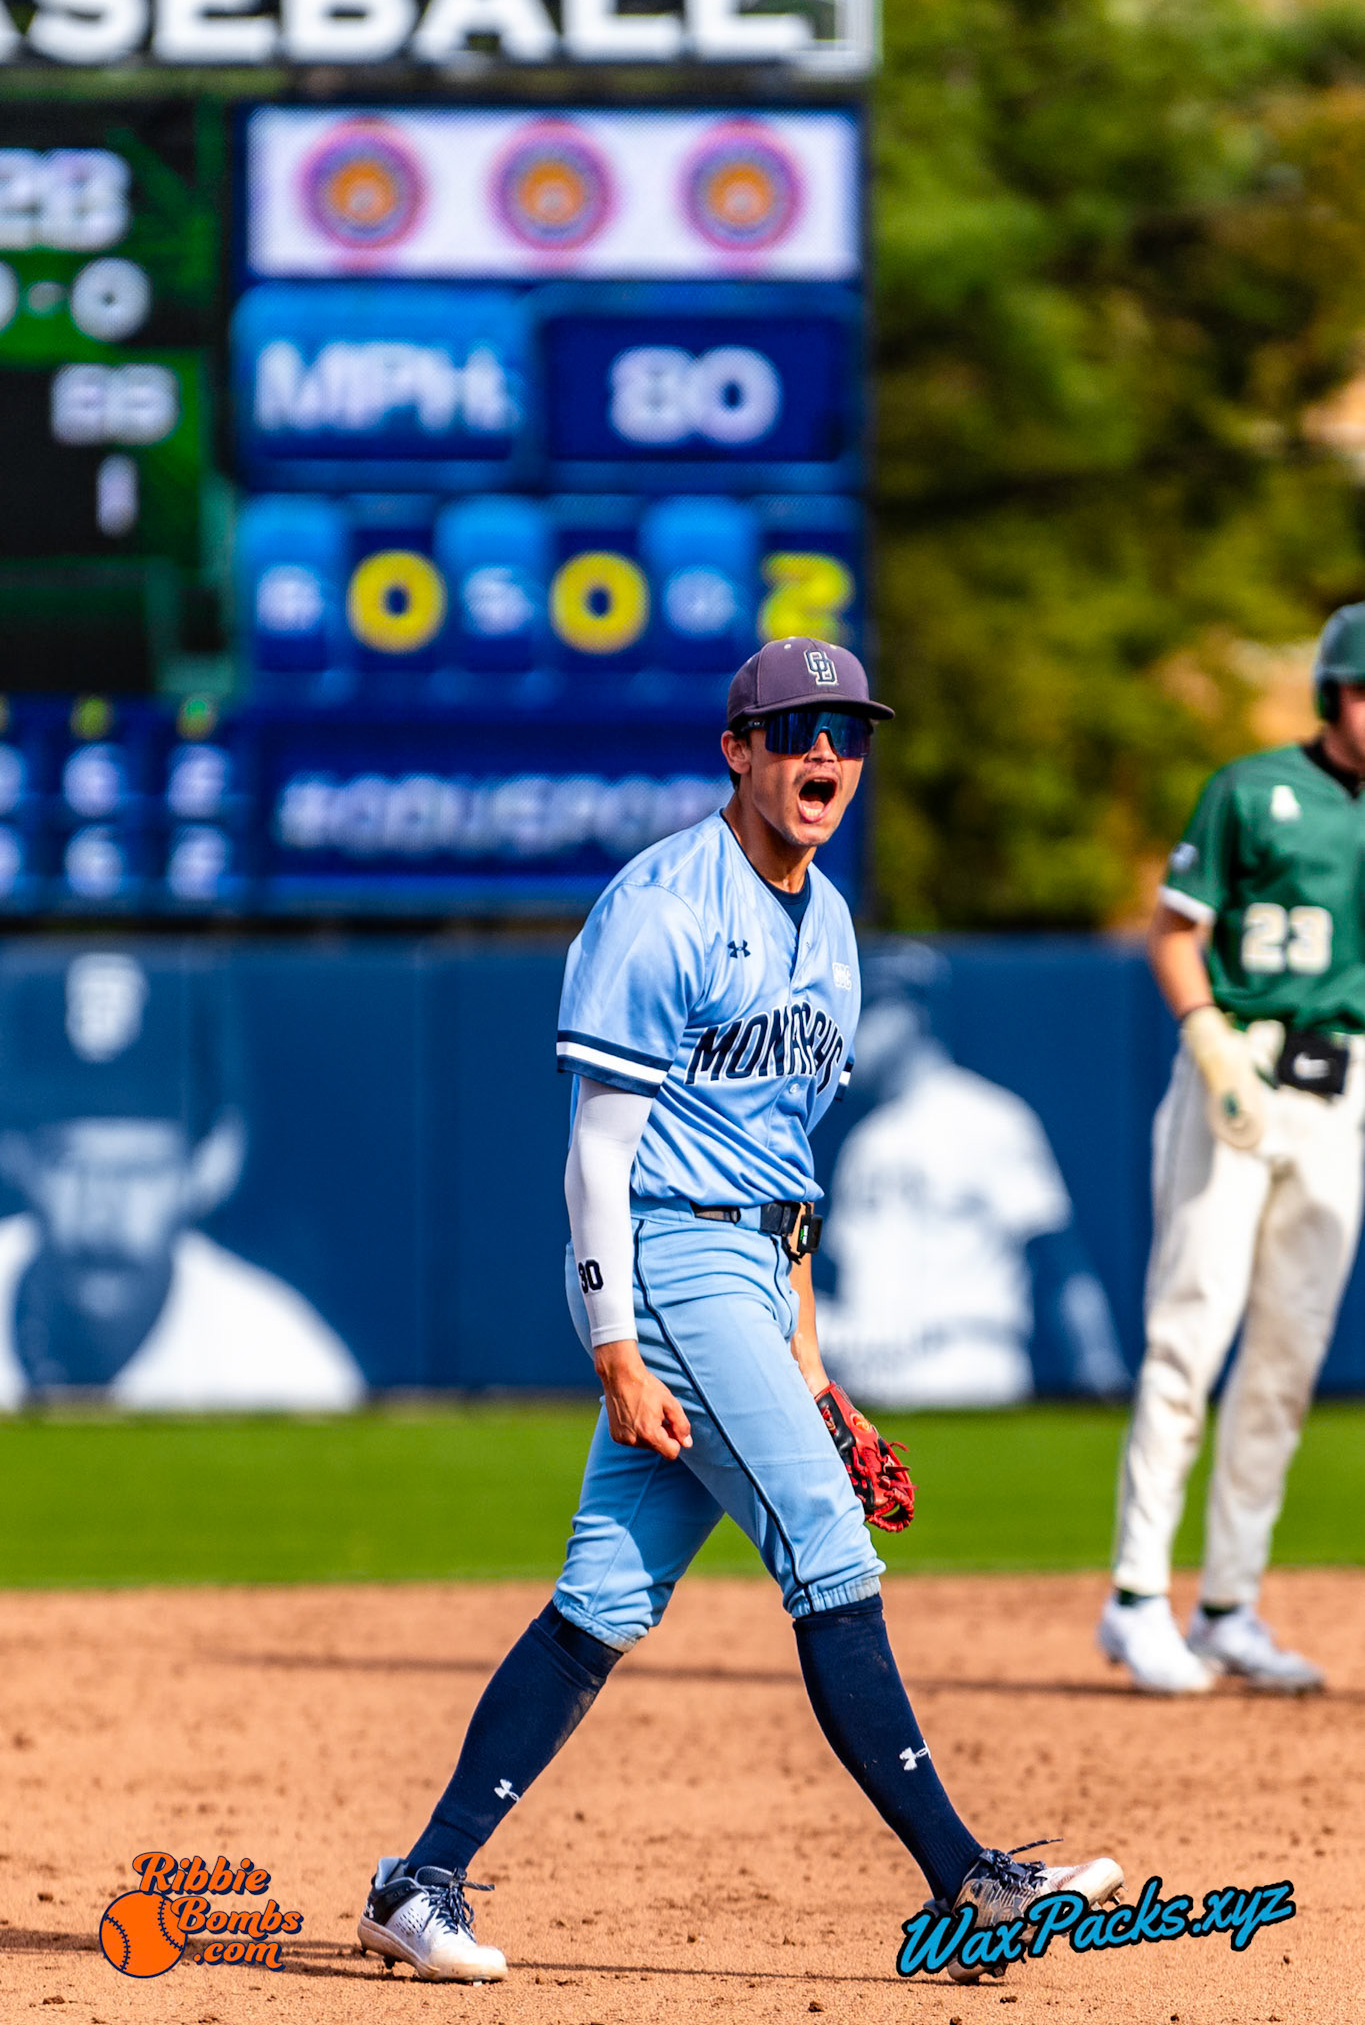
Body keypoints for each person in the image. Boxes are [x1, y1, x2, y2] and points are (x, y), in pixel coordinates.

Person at [358, 637, 1122, 1987]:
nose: (826, 754)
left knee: (603, 1600)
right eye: (796, 730)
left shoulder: (827, 922)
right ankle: (968, 1880)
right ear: (739, 750)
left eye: (847, 731)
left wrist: (810, 1363)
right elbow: (597, 1154)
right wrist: (613, 1351)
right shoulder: (661, 905)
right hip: (669, 1262)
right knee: (825, 1545)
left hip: (757, 1271)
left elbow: (787, 1161)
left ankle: (418, 1884)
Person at [1099, 603, 1365, 1695]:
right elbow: (1176, 929)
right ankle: (1132, 1597)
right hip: (1240, 1070)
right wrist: (1210, 1043)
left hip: (1342, 1090)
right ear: (1332, 690)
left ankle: (1228, 1603)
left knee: (1288, 1360)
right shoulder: (1255, 787)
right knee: (1189, 1334)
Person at [0, 949, 363, 1410]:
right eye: (71, 1162)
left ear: (213, 1162)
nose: (102, 1210)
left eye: (140, 1169)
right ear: (15, 1152)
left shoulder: (286, 1376)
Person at [816, 945, 1129, 1407]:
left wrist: (1098, 1369)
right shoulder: (864, 1141)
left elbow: (1059, 1259)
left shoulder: (987, 1117)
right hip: (872, 1373)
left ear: (913, 1014)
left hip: (964, 1361)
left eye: (867, 1015)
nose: (850, 1036)